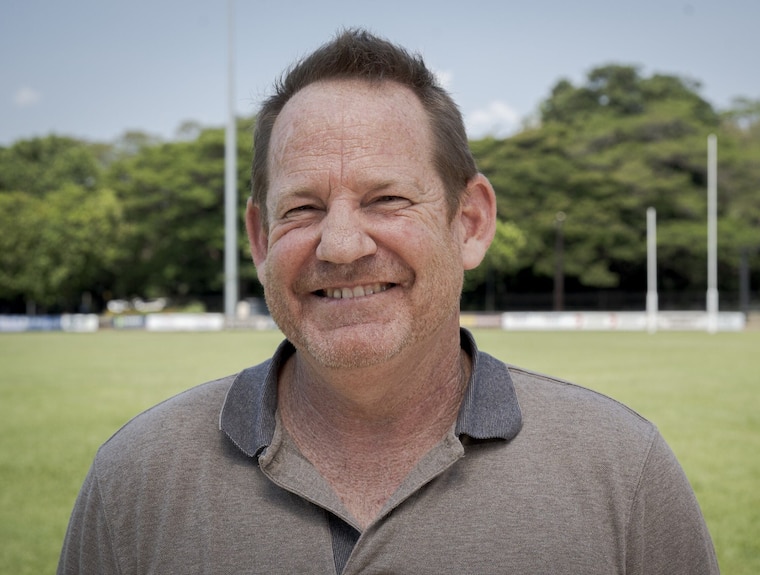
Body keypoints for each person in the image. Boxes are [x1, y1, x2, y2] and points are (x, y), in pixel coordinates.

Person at [58, 29, 719, 574]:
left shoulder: (623, 473)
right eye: (303, 208)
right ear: (260, 239)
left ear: (470, 221)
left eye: (387, 199)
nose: (342, 244)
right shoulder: (135, 481)